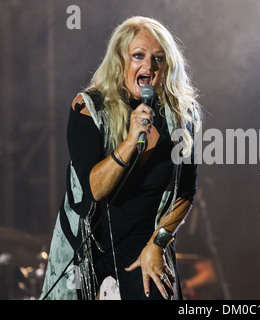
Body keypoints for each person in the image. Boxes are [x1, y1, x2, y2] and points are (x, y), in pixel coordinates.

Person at [40, 16, 202, 300]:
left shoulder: (179, 117)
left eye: (158, 59)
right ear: (119, 60)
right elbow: (96, 189)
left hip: (145, 247)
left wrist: (158, 244)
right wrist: (130, 141)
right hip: (91, 250)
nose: (148, 66)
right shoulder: (89, 108)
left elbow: (185, 192)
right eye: (138, 56)